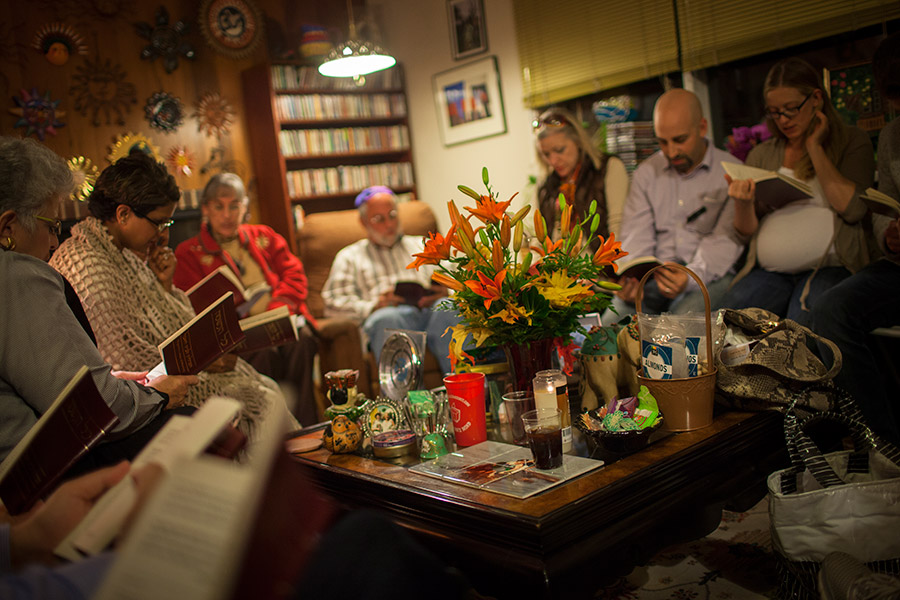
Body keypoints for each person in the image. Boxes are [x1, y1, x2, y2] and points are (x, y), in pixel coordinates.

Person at [49, 153, 297, 439]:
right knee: (260, 401)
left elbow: (166, 322)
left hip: (170, 380)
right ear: (123, 214)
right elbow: (126, 359)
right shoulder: (88, 266)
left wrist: (164, 285)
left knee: (267, 390)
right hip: (136, 402)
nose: (162, 235)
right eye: (159, 223)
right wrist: (204, 362)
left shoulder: (123, 252)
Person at [0, 137, 195, 464]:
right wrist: (157, 395)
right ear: (8, 226)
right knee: (192, 423)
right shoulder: (17, 273)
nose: (53, 242)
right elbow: (96, 408)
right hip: (32, 474)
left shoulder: (126, 254)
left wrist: (114, 382)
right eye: (51, 226)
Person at [723, 57, 877, 327]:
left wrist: (815, 146)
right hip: (771, 272)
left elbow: (852, 209)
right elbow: (744, 232)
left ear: (816, 98)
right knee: (729, 320)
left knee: (802, 329)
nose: (782, 120)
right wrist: (742, 203)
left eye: (791, 109)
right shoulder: (763, 154)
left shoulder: (851, 142)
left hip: (830, 268)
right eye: (774, 112)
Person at [173, 173, 320, 426]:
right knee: (265, 355)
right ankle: (276, 432)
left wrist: (277, 308)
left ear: (245, 207)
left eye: (234, 205)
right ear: (206, 209)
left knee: (303, 341)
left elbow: (294, 275)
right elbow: (191, 304)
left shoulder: (264, 235)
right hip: (239, 334)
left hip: (281, 320)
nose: (227, 214)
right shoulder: (188, 252)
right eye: (219, 207)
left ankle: (309, 427)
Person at [810, 34, 900, 444]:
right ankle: (880, 444)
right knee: (831, 309)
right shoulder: (894, 137)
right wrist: (891, 236)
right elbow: (883, 207)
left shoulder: (855, 142)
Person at [614, 88, 744, 316]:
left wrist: (689, 278)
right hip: (653, 282)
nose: (671, 151)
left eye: (680, 140)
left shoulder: (731, 172)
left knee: (681, 329)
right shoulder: (647, 173)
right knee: (610, 326)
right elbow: (636, 237)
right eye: (662, 142)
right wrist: (633, 279)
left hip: (708, 278)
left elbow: (724, 244)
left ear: (702, 127)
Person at [321, 186, 459, 375]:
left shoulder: (423, 244)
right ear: (363, 222)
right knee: (387, 318)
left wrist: (447, 291)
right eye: (379, 219)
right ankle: (409, 402)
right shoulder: (350, 257)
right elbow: (332, 305)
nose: (389, 224)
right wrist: (374, 305)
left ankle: (470, 394)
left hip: (432, 312)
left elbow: (457, 279)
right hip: (391, 317)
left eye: (392, 215)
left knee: (449, 306)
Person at [534, 107, 629, 246]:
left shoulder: (608, 168)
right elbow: (540, 239)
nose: (553, 161)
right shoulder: (545, 186)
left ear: (578, 141)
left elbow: (618, 229)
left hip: (601, 264)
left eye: (559, 150)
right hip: (559, 266)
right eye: (546, 154)